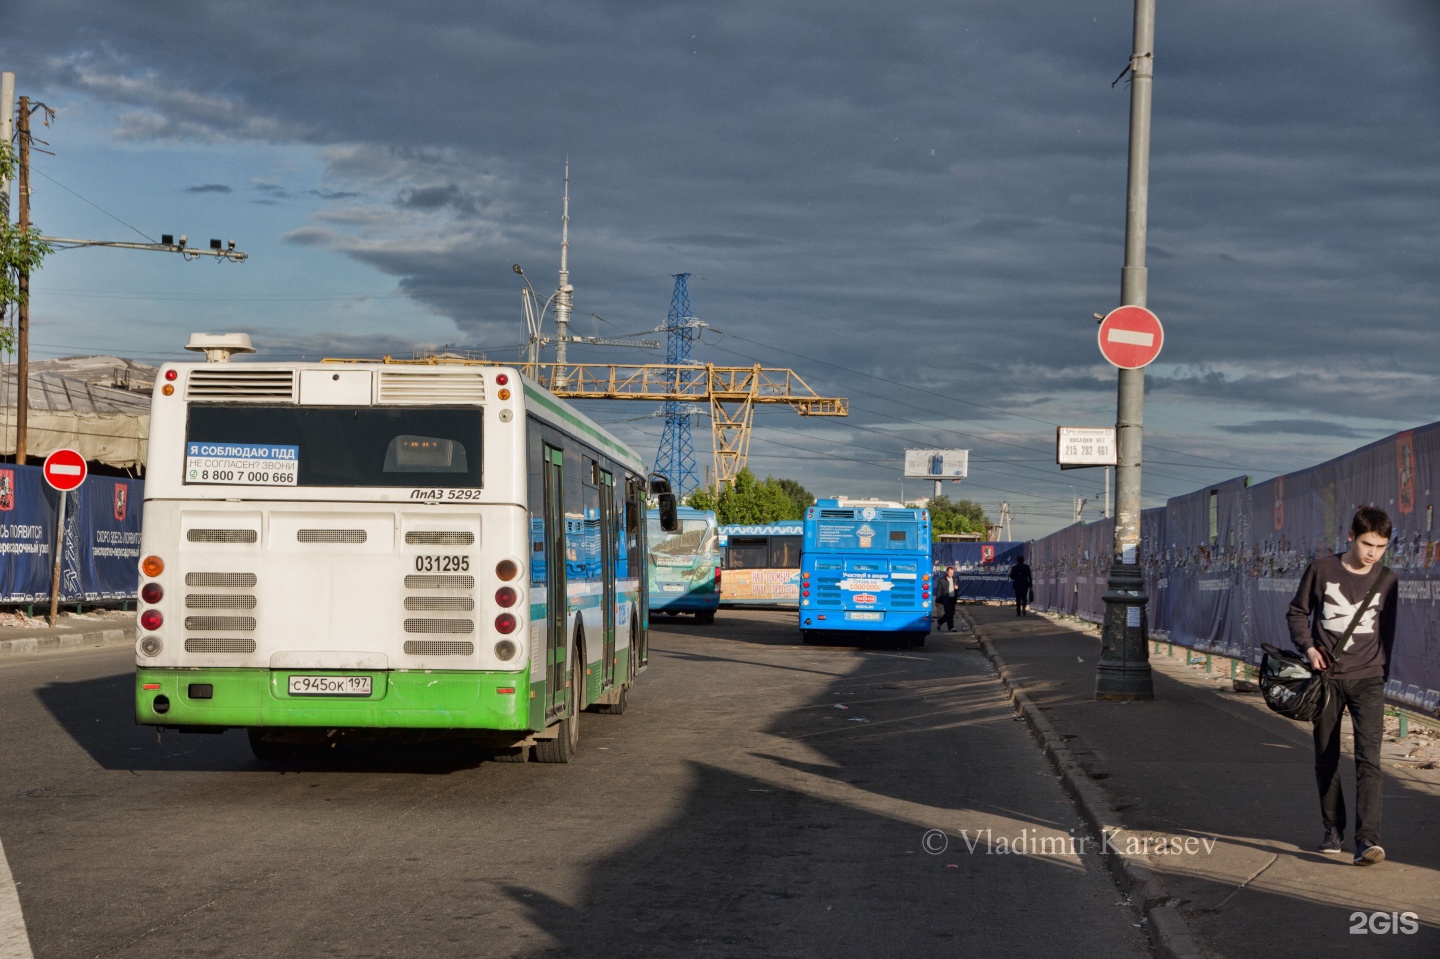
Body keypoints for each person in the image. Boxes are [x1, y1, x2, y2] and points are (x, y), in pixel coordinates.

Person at [1286, 506, 1398, 866]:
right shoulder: (1322, 570)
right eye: (1367, 544)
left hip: (1368, 679)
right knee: (1327, 756)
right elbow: (1297, 613)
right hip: (1327, 679)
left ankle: (1368, 841)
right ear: (1351, 536)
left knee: (1370, 760)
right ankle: (1333, 827)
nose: (1372, 553)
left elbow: (1388, 631)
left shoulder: (1388, 579)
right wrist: (1308, 647)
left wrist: (1383, 673)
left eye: (1380, 546)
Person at [934, 565, 959, 631]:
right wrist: (937, 600)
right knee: (949, 612)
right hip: (946, 599)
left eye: (953, 573)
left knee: (951, 613)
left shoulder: (955, 579)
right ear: (946, 572)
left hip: (952, 599)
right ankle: (951, 627)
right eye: (950, 573)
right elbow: (939, 591)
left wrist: (957, 588)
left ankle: (940, 621)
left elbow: (957, 588)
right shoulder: (942, 580)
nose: (951, 574)